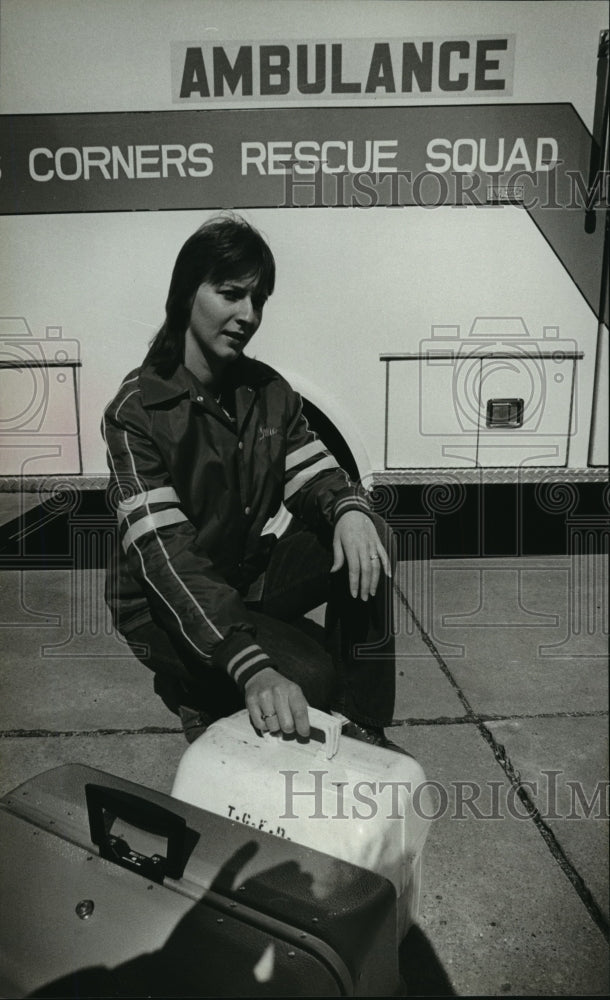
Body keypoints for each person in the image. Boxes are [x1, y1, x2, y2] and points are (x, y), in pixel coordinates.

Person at [102, 214, 398, 746]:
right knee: (309, 681)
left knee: (372, 532)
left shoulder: (268, 392)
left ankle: (364, 723)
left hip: (241, 577)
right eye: (231, 294)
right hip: (160, 605)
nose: (248, 315)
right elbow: (168, 560)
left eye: (258, 299)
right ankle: (193, 687)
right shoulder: (135, 413)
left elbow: (315, 475)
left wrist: (349, 509)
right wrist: (251, 666)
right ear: (186, 294)